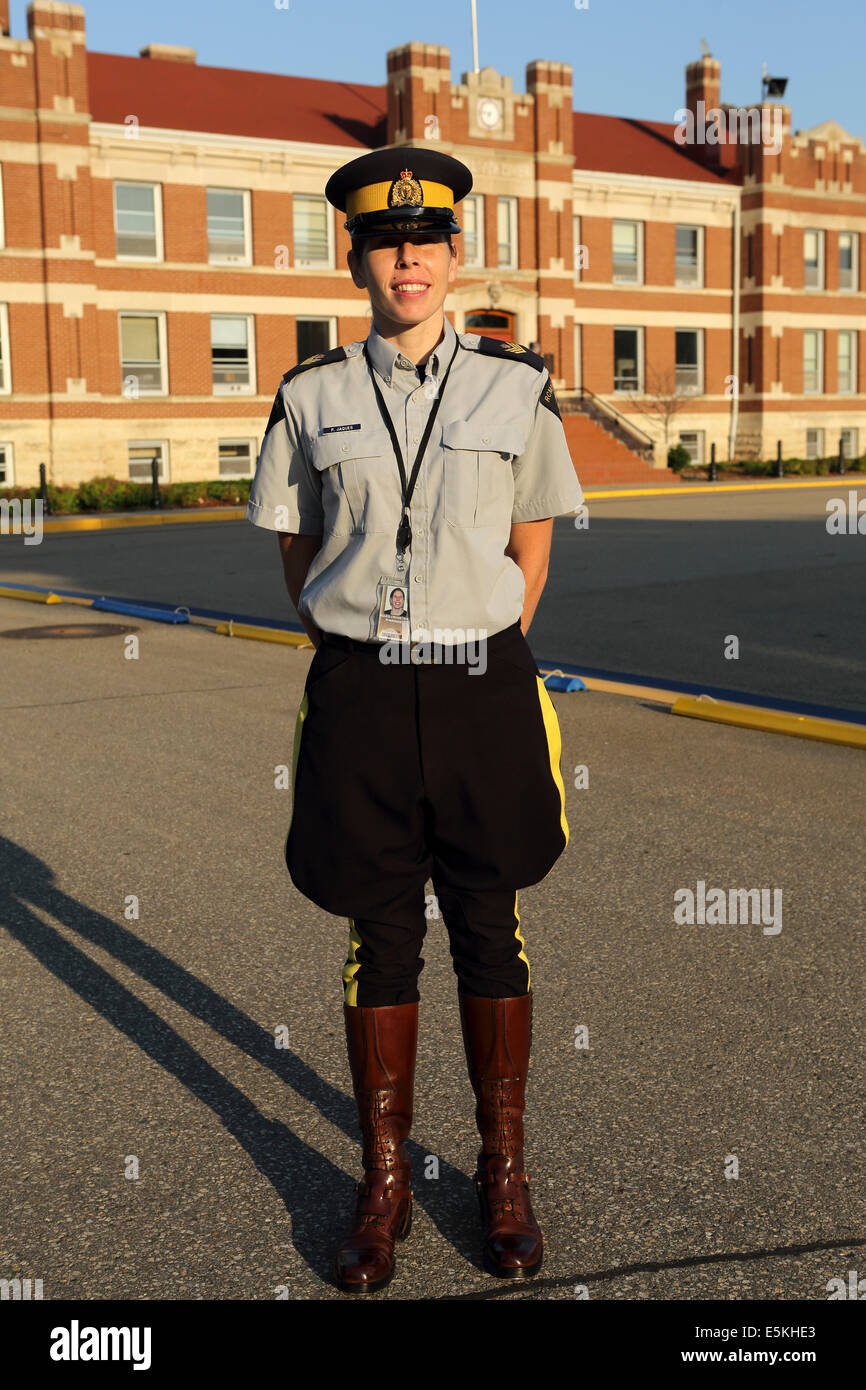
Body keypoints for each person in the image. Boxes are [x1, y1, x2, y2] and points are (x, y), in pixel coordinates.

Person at [246, 144, 584, 1293]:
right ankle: (382, 1177)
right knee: (377, 934)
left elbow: (532, 532)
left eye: (426, 243)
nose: (408, 261)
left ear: (452, 255)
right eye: (386, 245)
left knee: (489, 926)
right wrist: (360, 636)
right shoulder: (308, 397)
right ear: (359, 262)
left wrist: (480, 633)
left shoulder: (513, 387)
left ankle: (502, 1172)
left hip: (479, 683)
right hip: (362, 691)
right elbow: (299, 545)